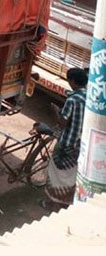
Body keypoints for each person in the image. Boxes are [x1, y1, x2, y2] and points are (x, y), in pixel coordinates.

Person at [42, 67, 88, 208]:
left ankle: (53, 203)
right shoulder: (89, 96)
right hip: (80, 144)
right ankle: (67, 201)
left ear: (73, 81)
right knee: (70, 175)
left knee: (56, 174)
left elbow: (62, 123)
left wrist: (56, 111)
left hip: (67, 143)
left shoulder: (72, 100)